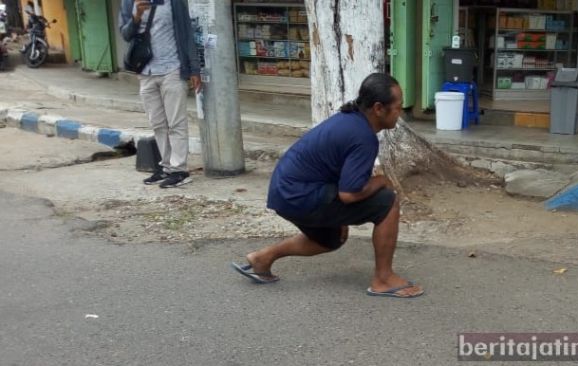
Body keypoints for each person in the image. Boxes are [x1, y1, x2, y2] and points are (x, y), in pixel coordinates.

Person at [232, 73, 424, 299]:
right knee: (387, 200)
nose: (400, 113)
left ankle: (262, 258)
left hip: (285, 192)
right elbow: (349, 195)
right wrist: (382, 180)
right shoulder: (363, 136)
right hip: (299, 194)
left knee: (331, 239)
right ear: (379, 108)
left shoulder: (351, 120)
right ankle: (383, 279)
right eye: (398, 107)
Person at [119, 0, 201, 188]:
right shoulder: (128, 3)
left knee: (176, 123)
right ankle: (166, 167)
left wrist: (194, 69)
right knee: (158, 123)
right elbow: (125, 34)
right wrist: (137, 16)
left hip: (172, 68)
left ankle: (179, 169)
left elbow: (186, 33)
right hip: (145, 71)